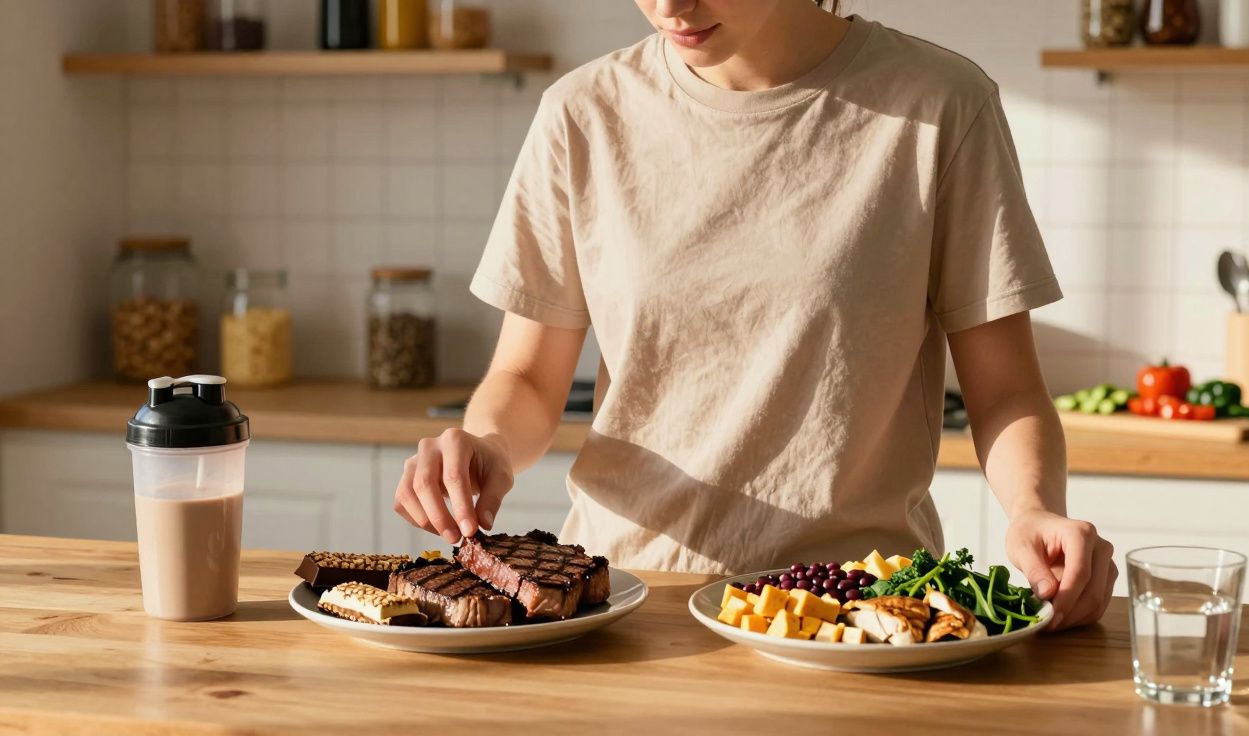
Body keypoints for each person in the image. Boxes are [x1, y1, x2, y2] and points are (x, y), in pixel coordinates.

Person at [393, 0, 1117, 630]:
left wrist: (1031, 511)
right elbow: (526, 376)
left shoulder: (940, 105)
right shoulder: (582, 114)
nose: (670, 6)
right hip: (627, 604)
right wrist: (485, 447)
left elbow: (1006, 390)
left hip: (858, 616)